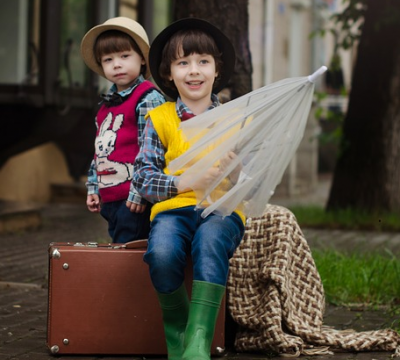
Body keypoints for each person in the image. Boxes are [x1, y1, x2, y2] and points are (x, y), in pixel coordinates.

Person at [131, 18, 245, 360]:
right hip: (173, 211)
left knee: (210, 242)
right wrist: (184, 182)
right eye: (183, 63)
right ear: (168, 73)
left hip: (220, 211)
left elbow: (253, 181)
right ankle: (177, 330)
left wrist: (238, 168)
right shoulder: (159, 118)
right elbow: (142, 176)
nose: (193, 71)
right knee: (162, 254)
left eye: (203, 62)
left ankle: (197, 343)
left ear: (216, 69)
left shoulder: (234, 119)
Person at [80, 17, 165, 243]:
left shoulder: (147, 97)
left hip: (134, 200)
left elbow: (153, 151)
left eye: (125, 56)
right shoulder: (106, 106)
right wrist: (93, 187)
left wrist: (140, 193)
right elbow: (100, 152)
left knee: (129, 252)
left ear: (142, 60)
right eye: (108, 59)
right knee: (120, 248)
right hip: (111, 199)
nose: (116, 64)